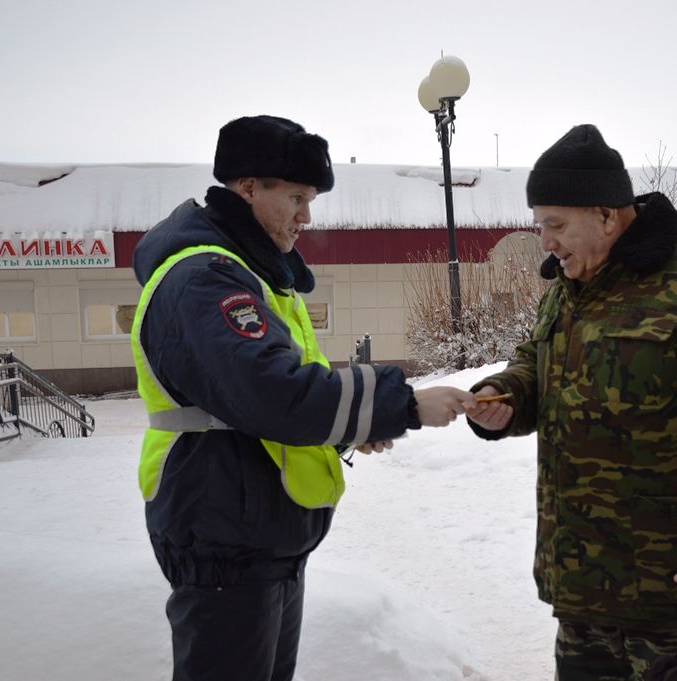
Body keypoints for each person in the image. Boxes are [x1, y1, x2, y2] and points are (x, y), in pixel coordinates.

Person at [130, 115, 476, 681]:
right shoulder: (204, 278)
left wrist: (348, 426)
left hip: (256, 537)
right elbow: (271, 392)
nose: (305, 215)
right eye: (295, 196)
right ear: (247, 188)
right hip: (224, 538)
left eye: (310, 198)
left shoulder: (249, 274)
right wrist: (404, 405)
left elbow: (265, 395)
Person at [464, 124, 677, 680]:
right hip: (581, 587)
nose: (544, 242)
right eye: (538, 225)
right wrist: (507, 395)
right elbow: (538, 361)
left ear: (605, 215)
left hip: (675, 594)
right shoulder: (572, 286)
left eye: (555, 224)